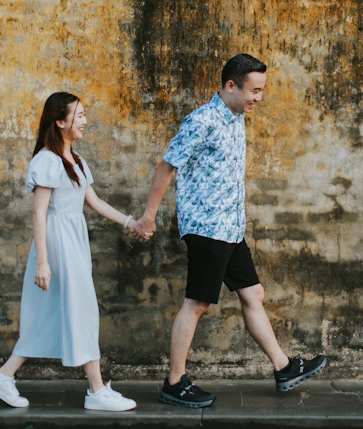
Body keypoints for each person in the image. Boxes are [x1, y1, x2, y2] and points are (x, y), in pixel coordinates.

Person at [131, 54, 327, 408]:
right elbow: (167, 166)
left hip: (231, 227)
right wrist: (149, 217)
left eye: (262, 91)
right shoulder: (203, 120)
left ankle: (283, 367)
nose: (258, 98)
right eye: (254, 90)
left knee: (254, 295)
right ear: (231, 86)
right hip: (207, 227)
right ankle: (174, 382)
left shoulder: (236, 116)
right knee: (197, 303)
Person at [0, 92, 137, 412]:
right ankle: (96, 390)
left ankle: (4, 376)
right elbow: (39, 213)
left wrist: (130, 222)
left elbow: (92, 201)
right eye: (78, 115)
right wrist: (42, 262)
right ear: (60, 121)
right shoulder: (48, 160)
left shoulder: (75, 159)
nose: (84, 120)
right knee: (81, 311)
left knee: (51, 315)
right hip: (57, 244)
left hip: (73, 242)